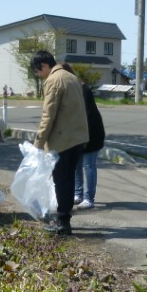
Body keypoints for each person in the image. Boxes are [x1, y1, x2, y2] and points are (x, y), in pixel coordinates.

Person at [30, 50, 88, 235]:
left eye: (38, 71)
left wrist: (38, 144)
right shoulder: (71, 77)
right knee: (69, 179)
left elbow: (48, 115)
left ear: (44, 65)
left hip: (63, 139)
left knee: (61, 181)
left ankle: (62, 222)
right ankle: (65, 218)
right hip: (78, 137)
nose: (39, 75)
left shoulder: (54, 80)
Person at [59, 63, 105, 210]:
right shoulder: (68, 90)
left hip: (91, 134)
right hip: (78, 134)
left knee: (88, 166)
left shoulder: (82, 89)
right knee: (76, 165)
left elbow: (87, 116)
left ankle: (89, 198)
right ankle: (78, 194)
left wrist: (83, 138)